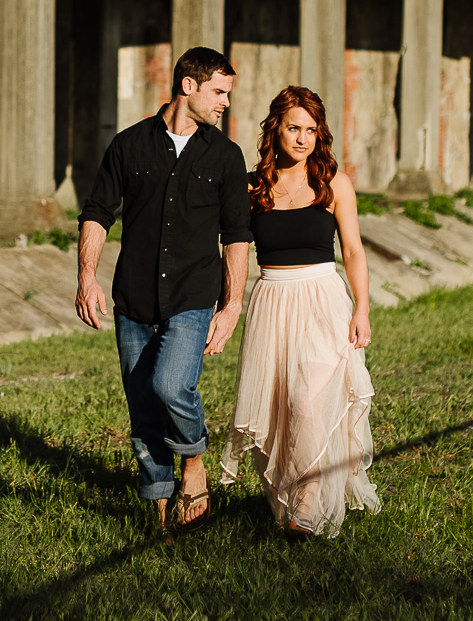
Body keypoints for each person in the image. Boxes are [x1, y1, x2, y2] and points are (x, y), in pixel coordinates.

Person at [76, 47, 252, 533]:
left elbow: (237, 235)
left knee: (170, 386)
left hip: (192, 298)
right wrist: (86, 276)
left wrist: (232, 303)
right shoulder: (129, 145)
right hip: (133, 298)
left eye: (228, 95)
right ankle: (160, 511)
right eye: (219, 92)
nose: (225, 104)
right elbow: (97, 212)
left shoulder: (226, 156)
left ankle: (193, 460)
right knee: (143, 409)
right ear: (188, 86)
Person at [218, 85, 379, 538]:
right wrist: (226, 302)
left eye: (311, 130)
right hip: (271, 300)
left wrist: (361, 309)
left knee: (309, 403)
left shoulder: (334, 183)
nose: (303, 138)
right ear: (276, 129)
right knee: (280, 406)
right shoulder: (253, 186)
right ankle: (289, 495)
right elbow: (235, 248)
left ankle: (306, 506)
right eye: (294, 128)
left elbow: (353, 250)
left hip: (323, 299)